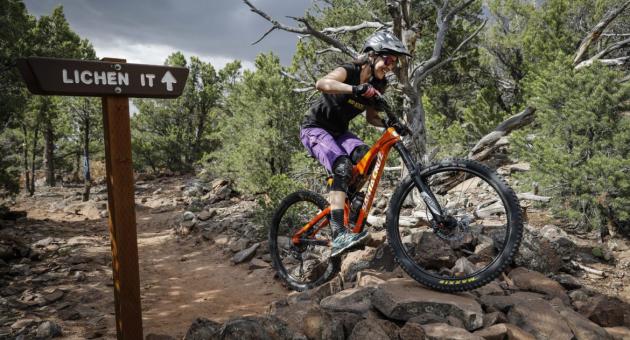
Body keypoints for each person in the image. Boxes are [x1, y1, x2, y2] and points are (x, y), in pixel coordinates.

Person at [300, 30, 411, 257]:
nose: (390, 65)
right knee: (341, 166)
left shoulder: (378, 85)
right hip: (315, 128)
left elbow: (371, 117)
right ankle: (339, 233)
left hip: (340, 132)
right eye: (388, 59)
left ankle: (348, 203)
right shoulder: (350, 71)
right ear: (372, 55)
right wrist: (354, 89)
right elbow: (322, 83)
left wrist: (390, 124)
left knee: (367, 159)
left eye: (394, 62)